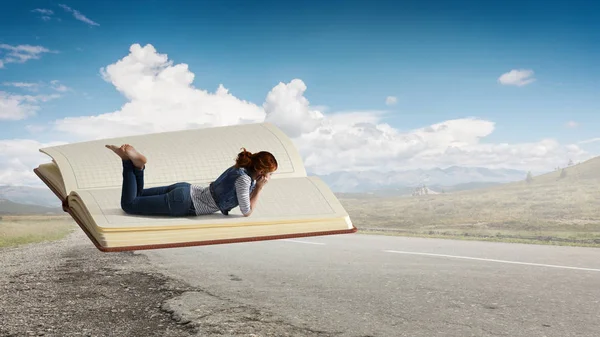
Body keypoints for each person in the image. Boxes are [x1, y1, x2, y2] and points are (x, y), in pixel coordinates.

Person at [105, 144, 277, 217]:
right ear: (261, 171)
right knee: (129, 205)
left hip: (186, 189)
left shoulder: (238, 168)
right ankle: (128, 163)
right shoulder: (245, 181)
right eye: (270, 174)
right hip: (185, 203)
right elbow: (246, 211)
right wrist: (260, 188)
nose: (270, 178)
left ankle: (138, 166)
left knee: (139, 194)